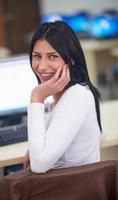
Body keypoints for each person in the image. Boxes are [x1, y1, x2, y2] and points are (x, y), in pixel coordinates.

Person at [23, 21, 103, 173]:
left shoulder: (76, 96)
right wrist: (37, 149)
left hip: (69, 191)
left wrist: (37, 96)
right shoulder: (75, 91)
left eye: (52, 56)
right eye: (37, 56)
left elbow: (39, 165)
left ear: (71, 59)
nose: (42, 66)